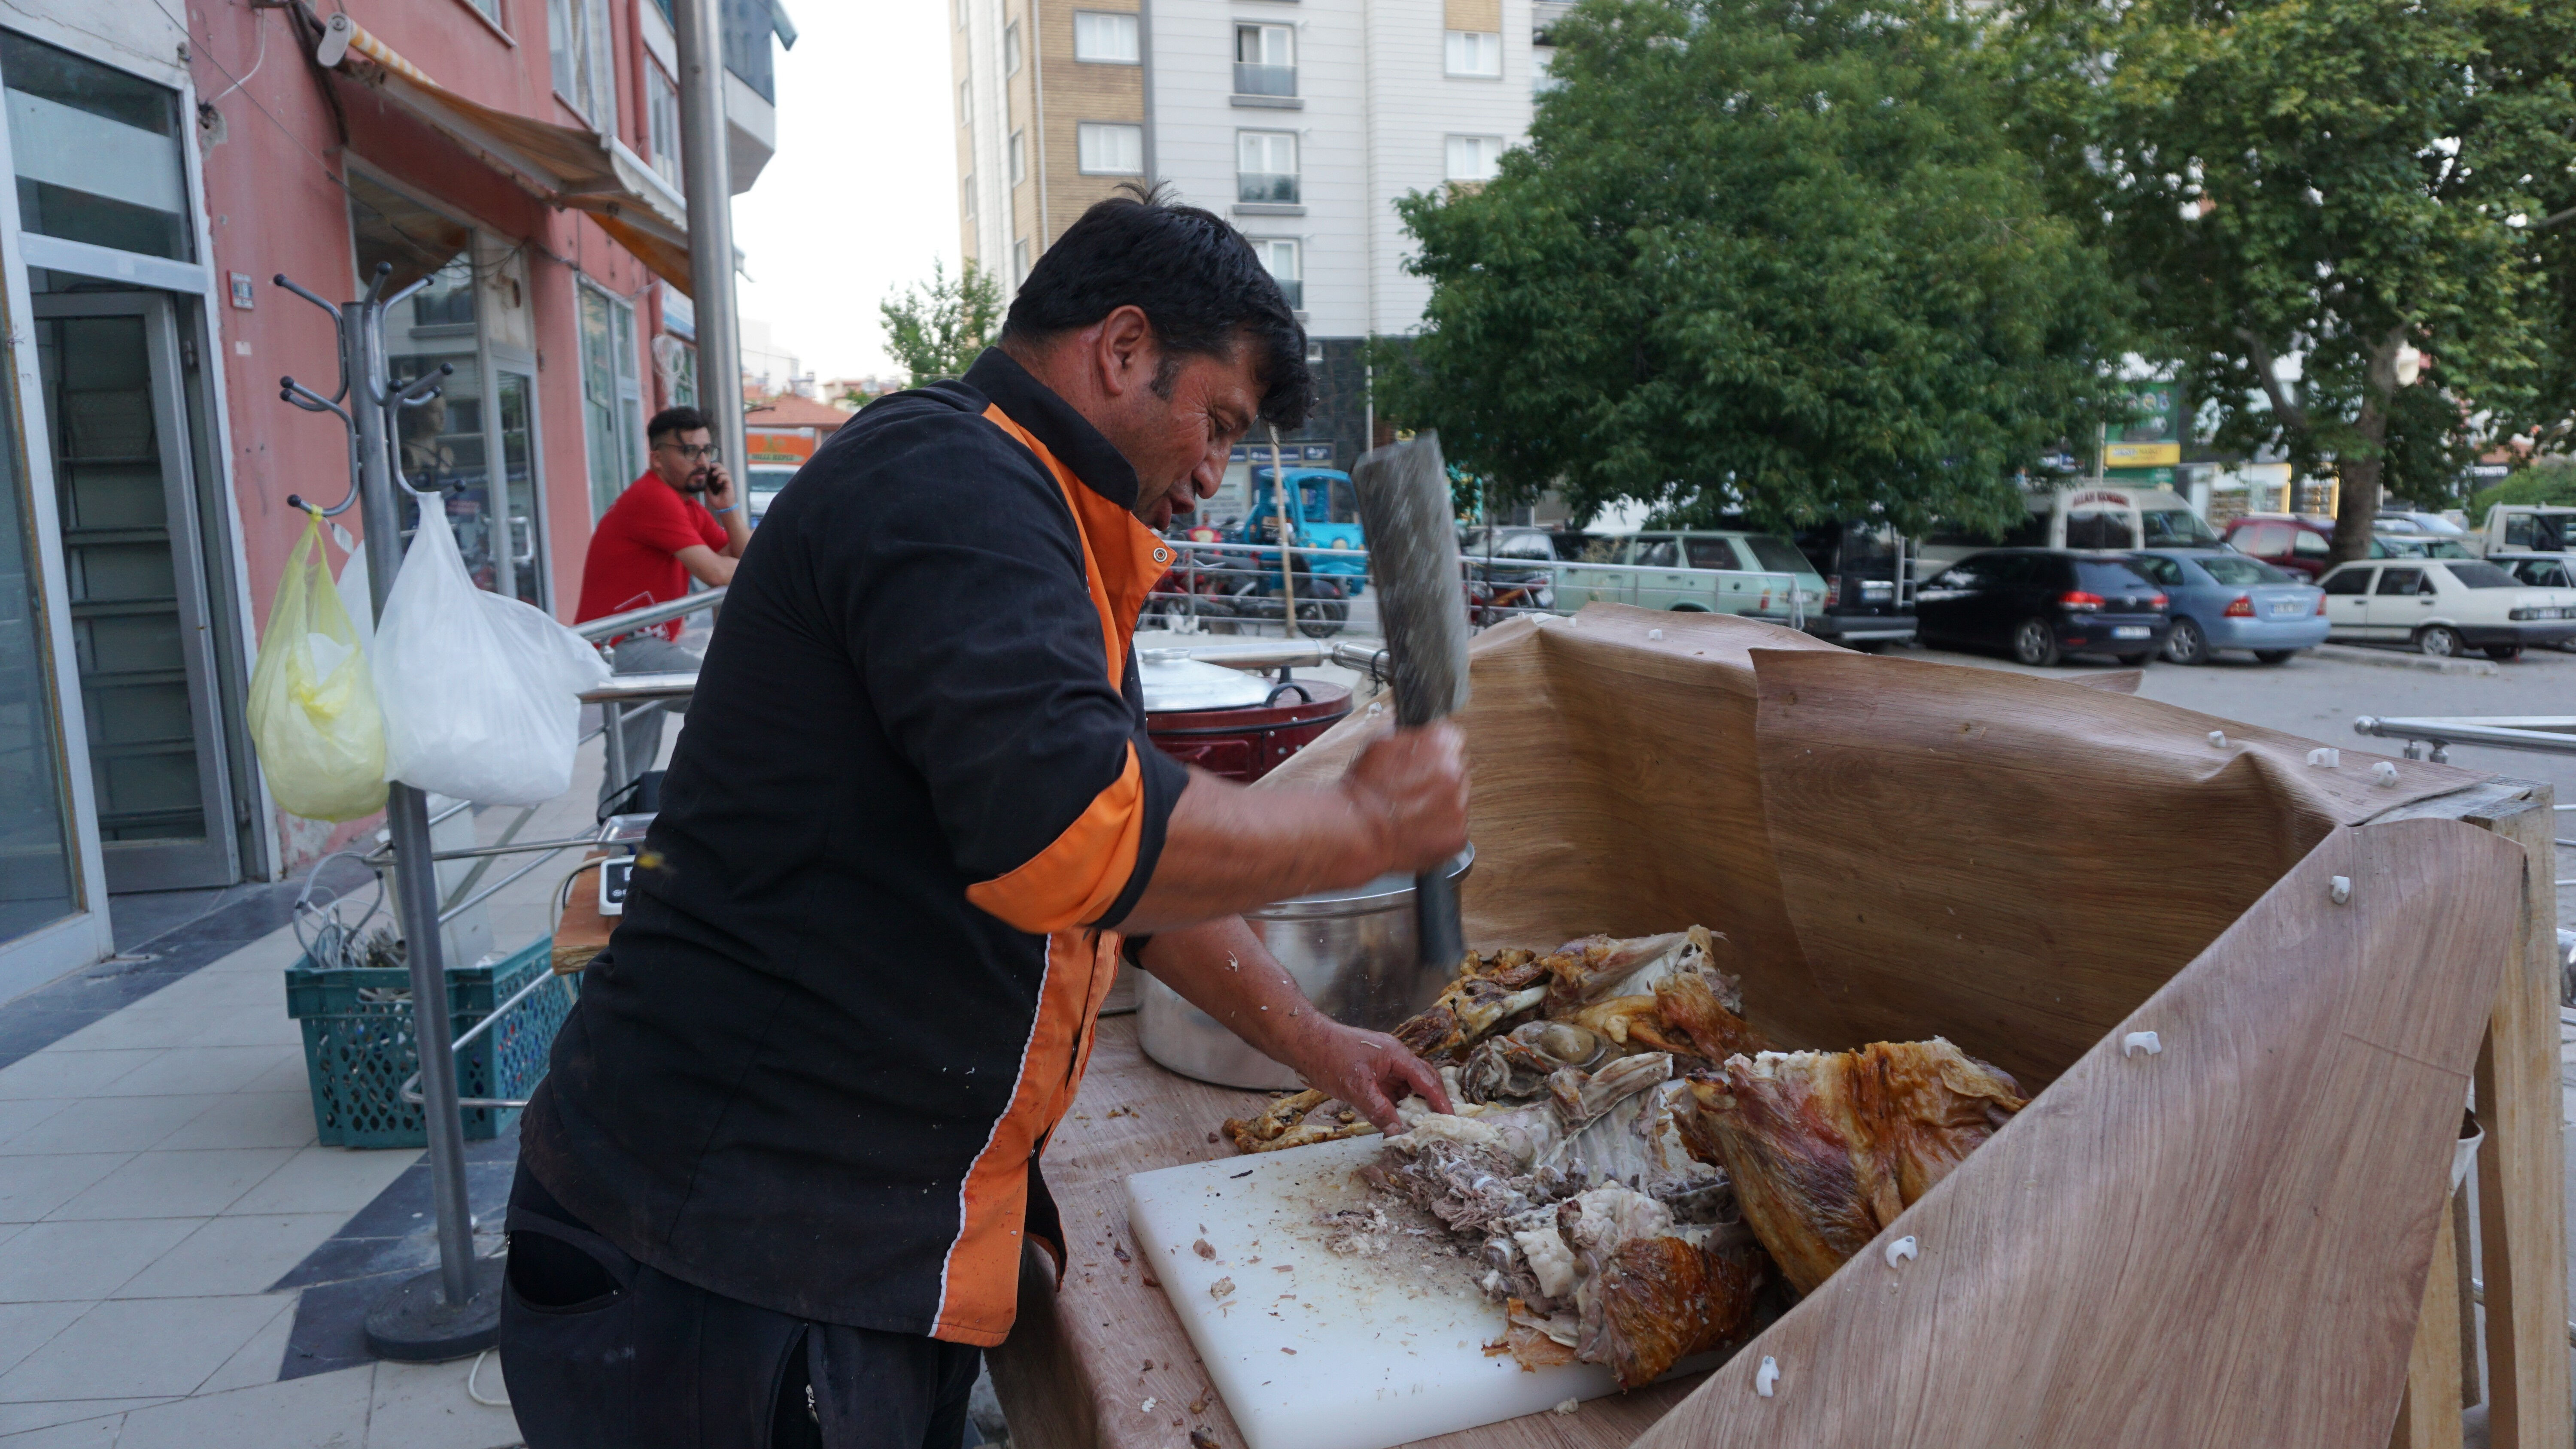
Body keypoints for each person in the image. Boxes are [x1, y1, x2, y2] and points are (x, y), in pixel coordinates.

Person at [501, 189, 1470, 1449]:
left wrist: (1319, 1043)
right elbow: (1072, 833)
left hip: (834, 1251)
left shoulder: (1046, 526)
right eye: (1216, 426)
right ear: (1120, 350)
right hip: (726, 1270)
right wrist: (1364, 824)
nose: (1214, 479)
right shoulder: (952, 482)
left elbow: (1127, 879)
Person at [571, 405, 750, 807]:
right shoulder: (653, 499)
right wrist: (765, 570)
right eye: (690, 451)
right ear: (657, 457)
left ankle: (616, 839)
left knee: (628, 768)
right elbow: (719, 574)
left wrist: (729, 509)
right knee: (728, 696)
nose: (703, 462)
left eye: (708, 451)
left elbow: (737, 555)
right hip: (621, 646)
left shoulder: (685, 504)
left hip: (634, 644)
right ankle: (721, 808)